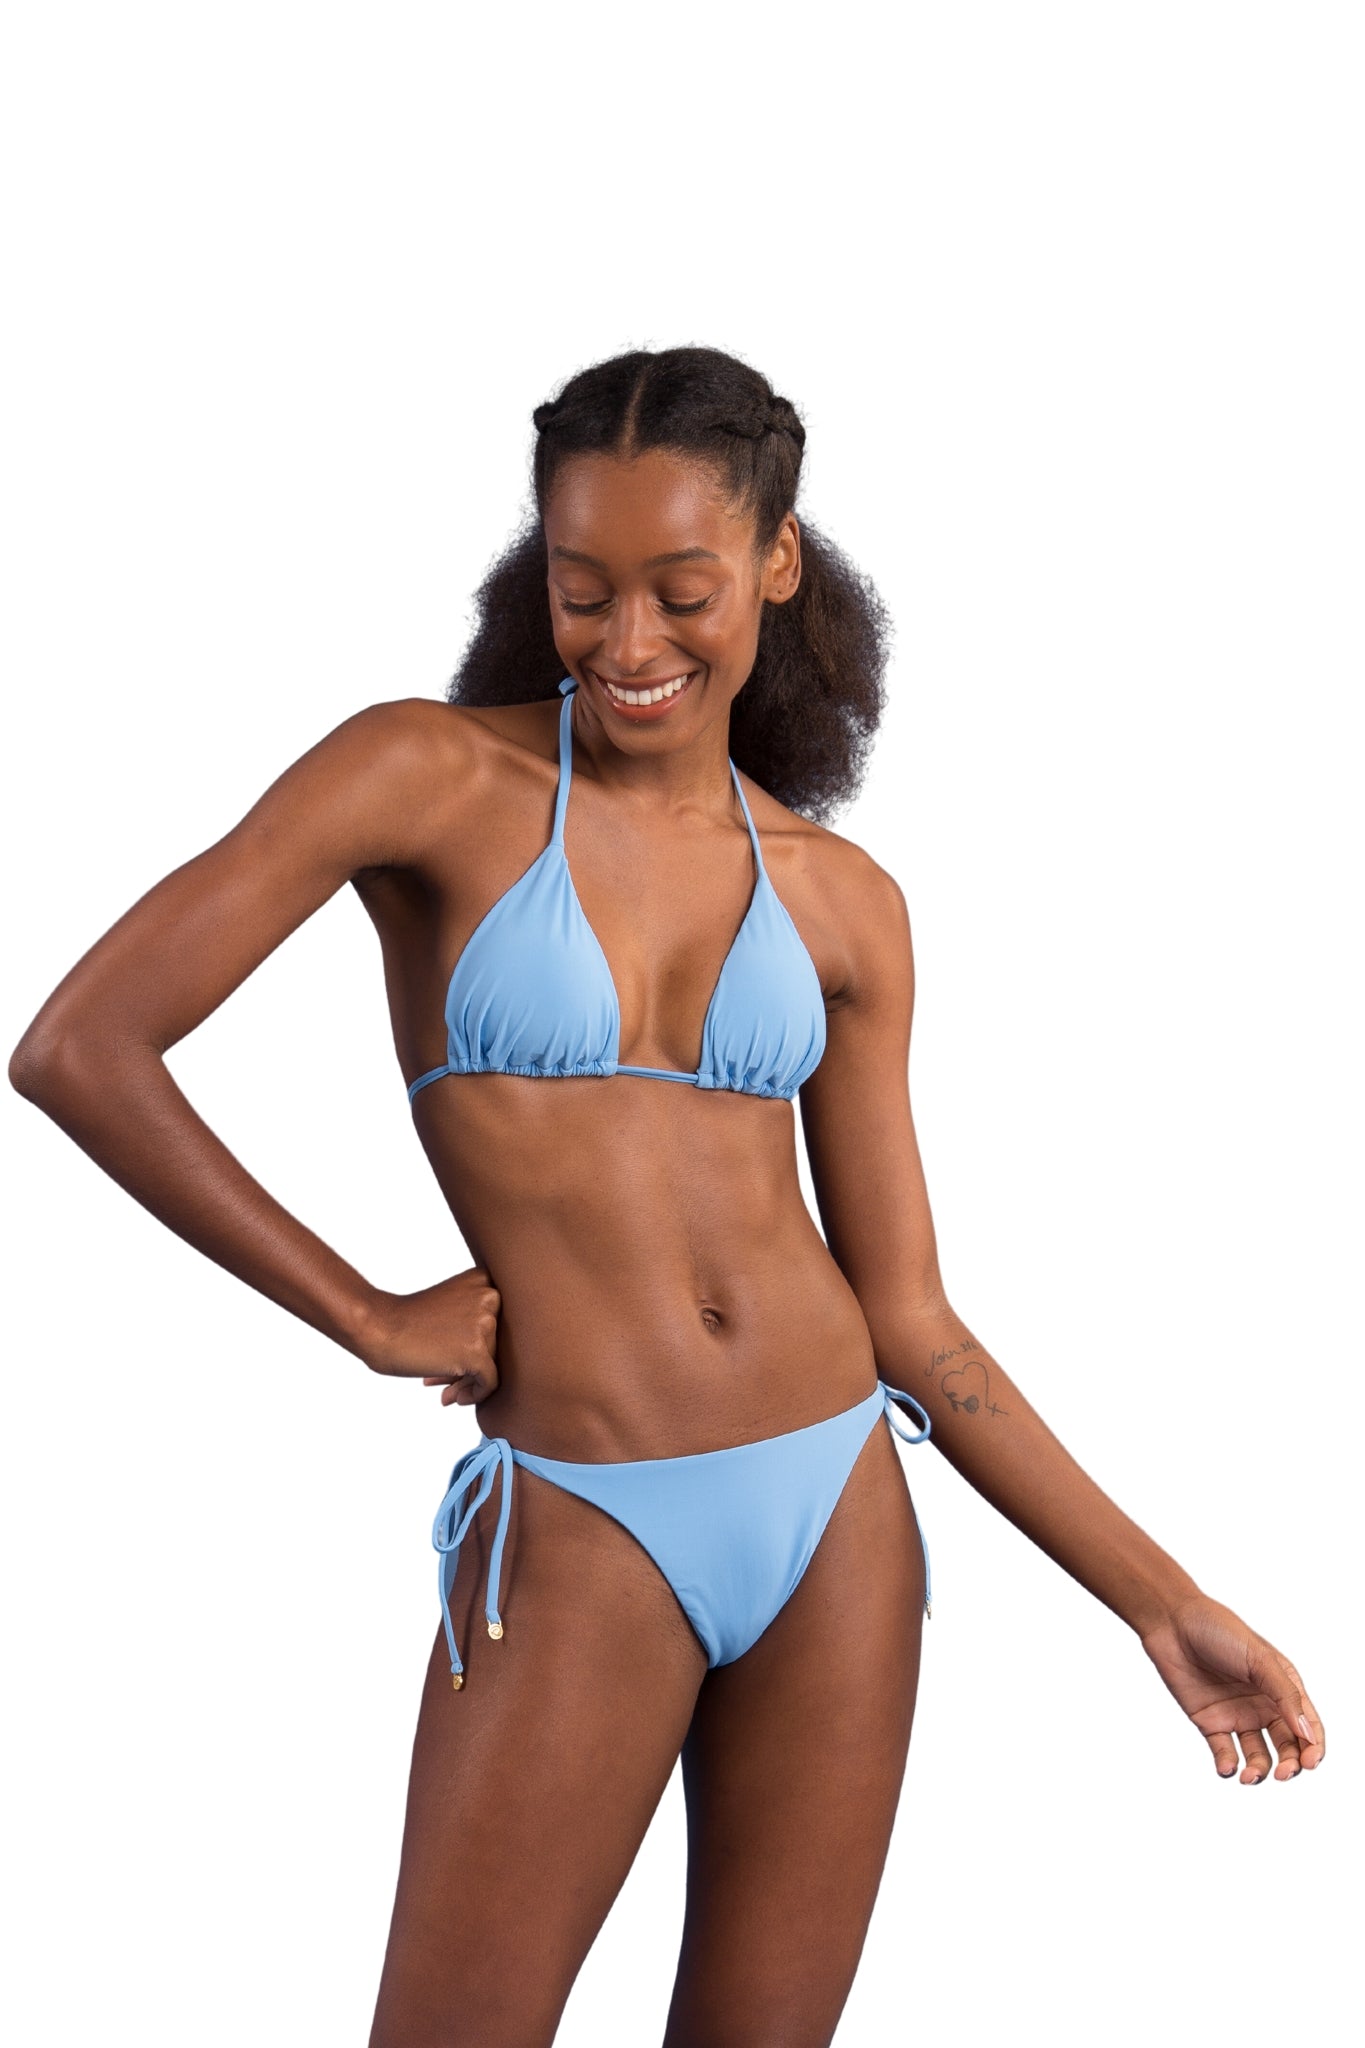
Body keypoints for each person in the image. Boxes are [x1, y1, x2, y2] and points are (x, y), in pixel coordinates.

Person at [9, 344, 1325, 2048]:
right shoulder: (422, 779)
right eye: (583, 592)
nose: (630, 644)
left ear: (775, 562)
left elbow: (910, 1315)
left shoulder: (842, 898)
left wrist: (1157, 1599)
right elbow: (82, 1047)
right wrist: (363, 1315)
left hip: (834, 1506)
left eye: (682, 593)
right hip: (587, 1512)